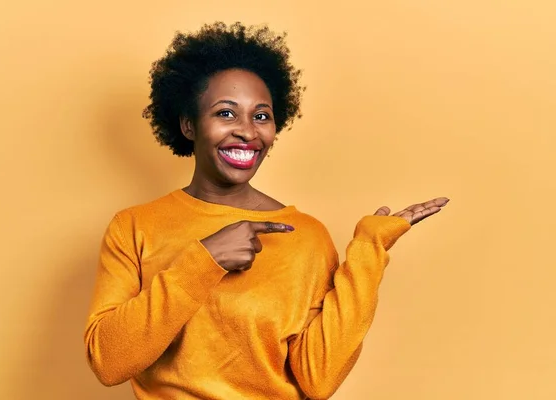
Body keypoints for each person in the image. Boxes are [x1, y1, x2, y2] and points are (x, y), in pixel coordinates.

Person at [83, 21, 449, 400]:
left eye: (261, 116)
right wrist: (205, 260)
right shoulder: (134, 227)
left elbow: (317, 381)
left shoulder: (305, 236)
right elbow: (109, 362)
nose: (247, 131)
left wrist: (370, 251)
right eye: (226, 113)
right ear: (189, 125)